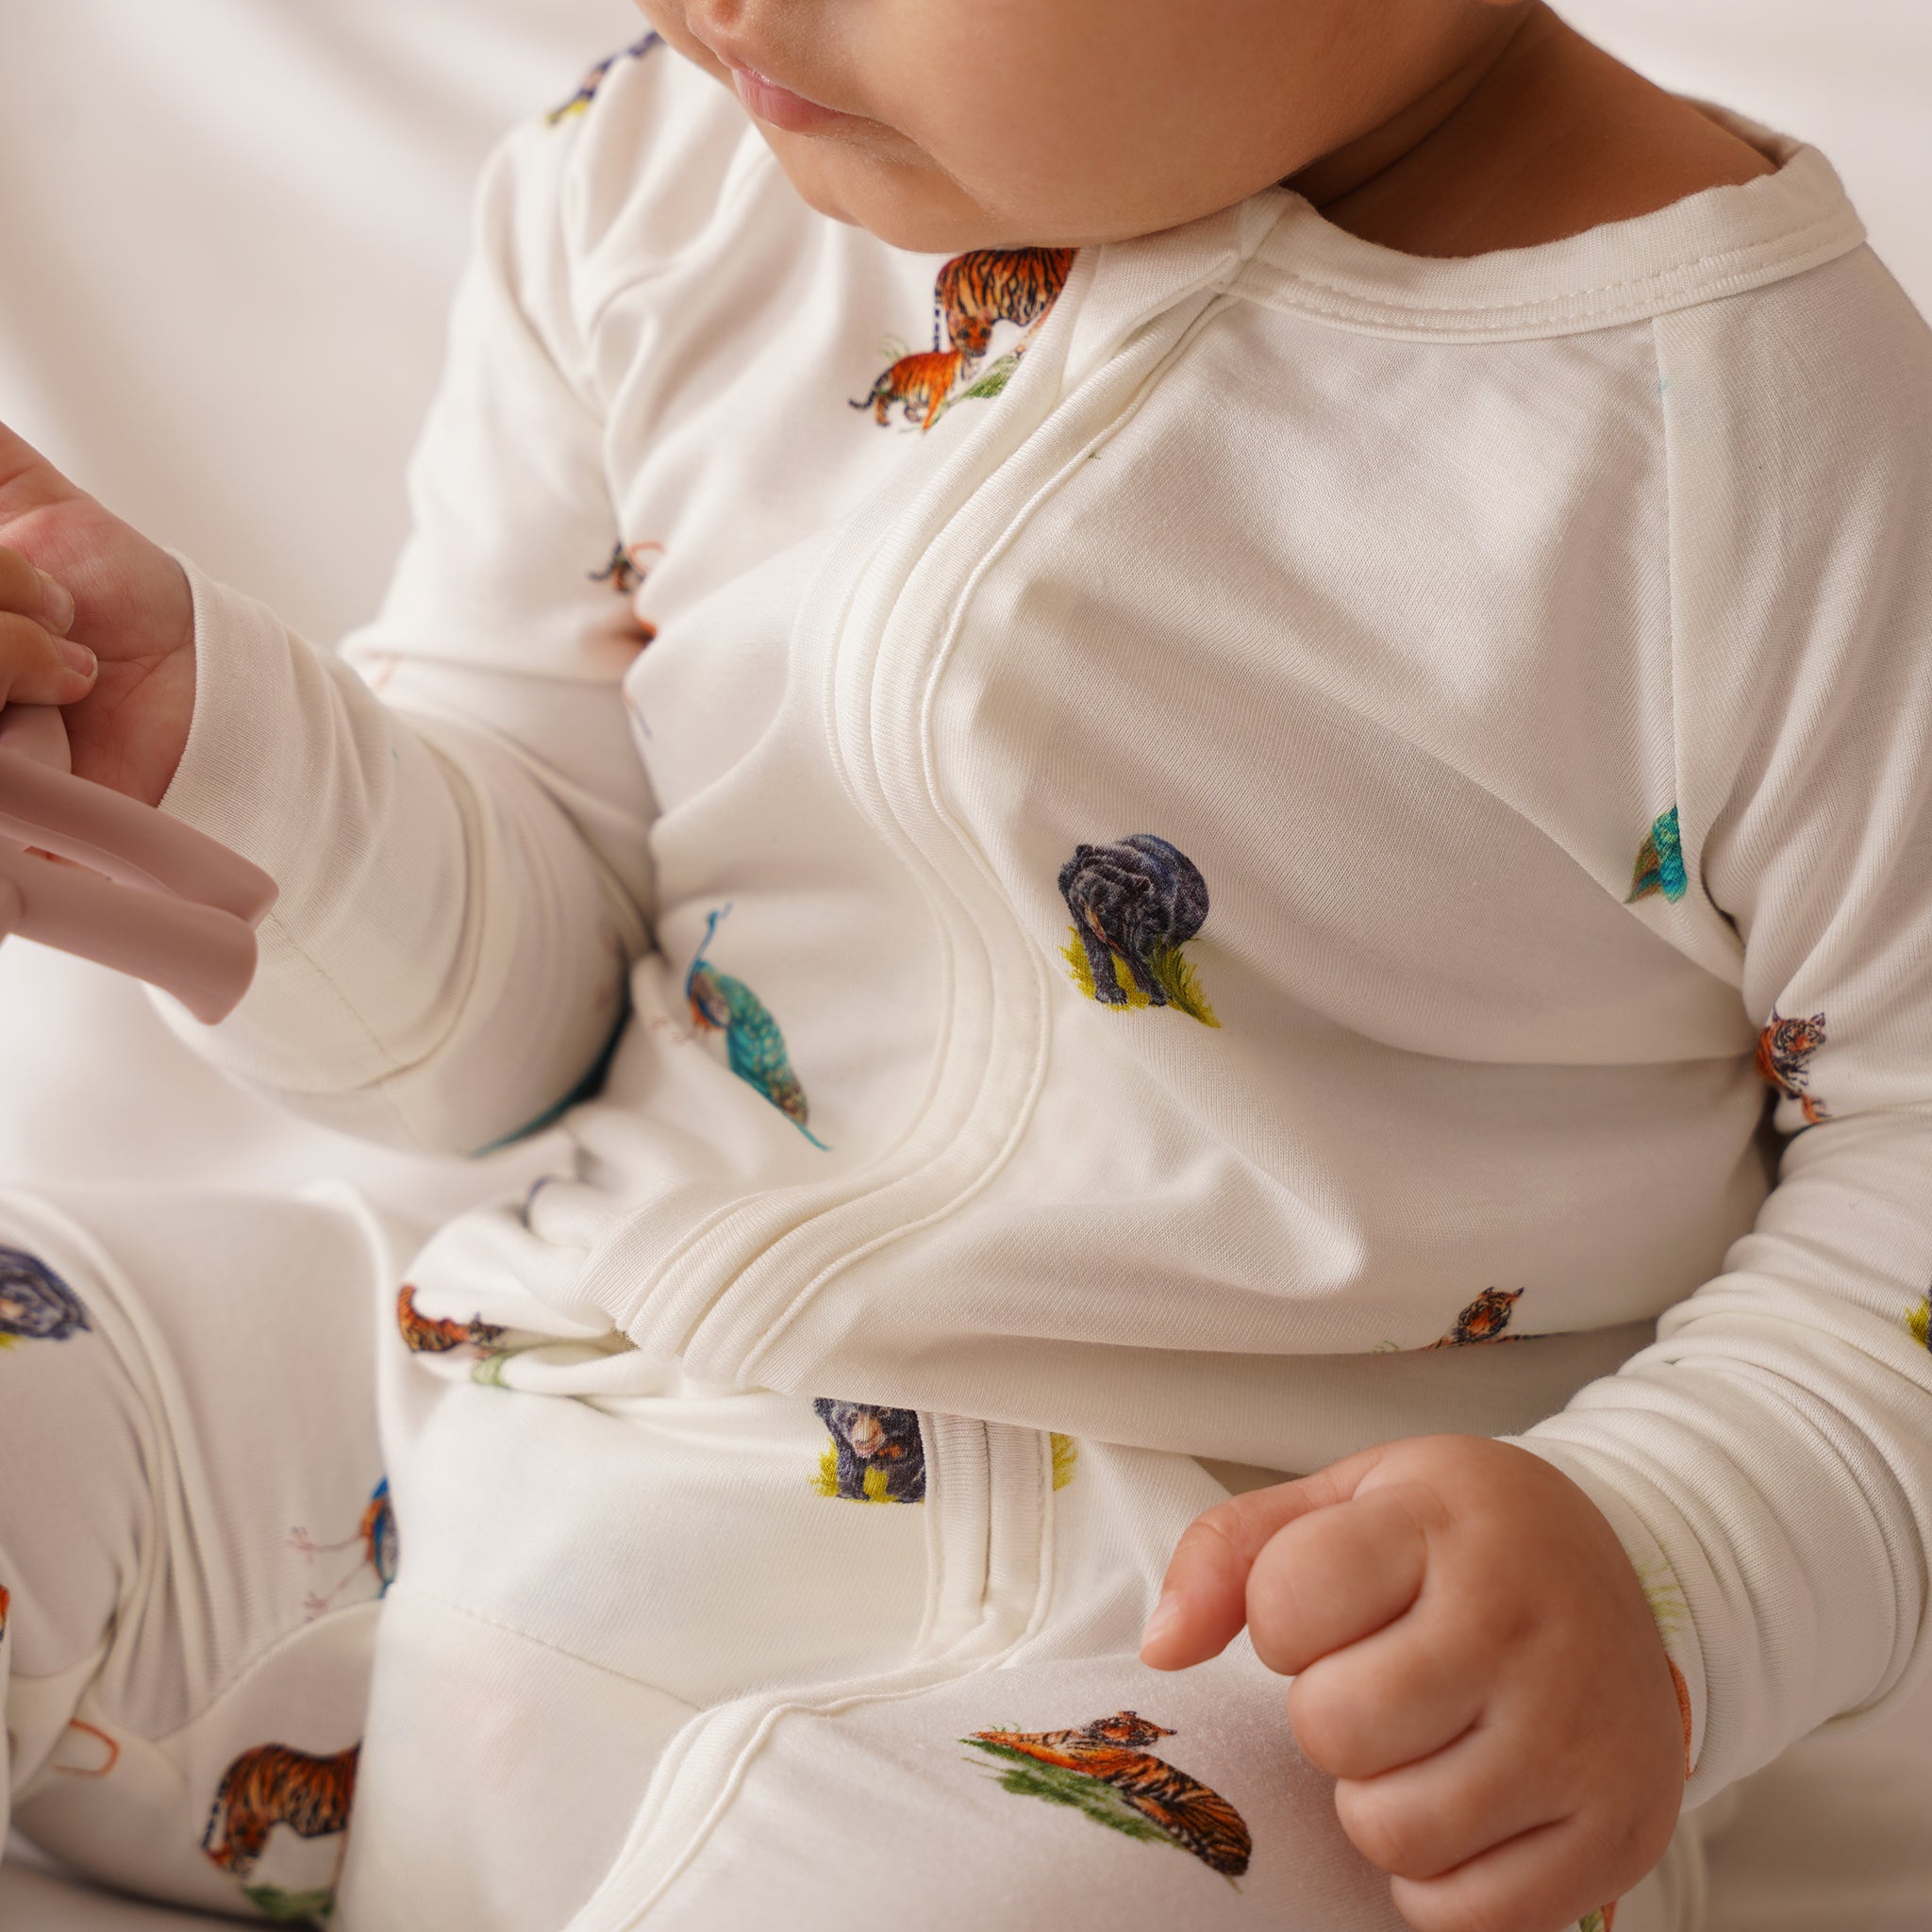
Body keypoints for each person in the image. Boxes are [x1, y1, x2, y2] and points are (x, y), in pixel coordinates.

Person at [2, 3, 1928, 1928]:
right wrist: (215, 756)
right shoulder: (661, 176)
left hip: (1217, 1676)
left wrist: (1665, 1560)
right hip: (516, 1399)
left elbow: (1906, 1189)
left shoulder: (1776, 446)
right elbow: (529, 1023)